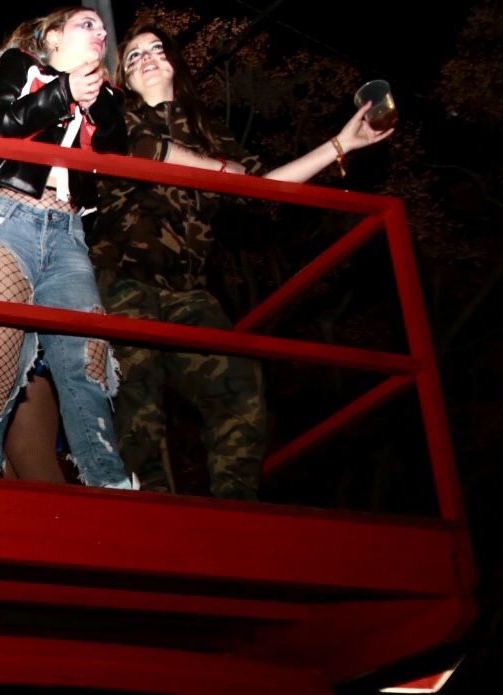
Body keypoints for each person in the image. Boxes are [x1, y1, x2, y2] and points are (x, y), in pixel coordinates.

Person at [94, 25, 395, 498]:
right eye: (133, 56)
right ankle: (150, 510)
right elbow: (147, 150)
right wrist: (221, 172)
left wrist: (339, 145)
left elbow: (266, 186)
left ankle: (236, 510)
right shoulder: (113, 113)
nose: (148, 58)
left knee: (240, 389)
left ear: (174, 63)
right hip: (124, 279)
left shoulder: (209, 131)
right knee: (137, 395)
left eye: (157, 49)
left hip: (189, 290)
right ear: (125, 78)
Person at [0, 8, 135, 488]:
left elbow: (118, 157)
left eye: (101, 27)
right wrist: (62, 94)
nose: (99, 33)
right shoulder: (20, 65)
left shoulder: (105, 96)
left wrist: (94, 102)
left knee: (88, 364)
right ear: (53, 36)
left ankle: (108, 485)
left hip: (70, 230)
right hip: (9, 216)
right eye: (85, 23)